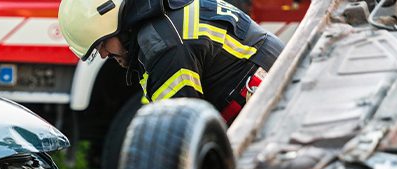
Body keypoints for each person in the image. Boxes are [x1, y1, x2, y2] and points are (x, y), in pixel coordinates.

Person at [58, 0, 284, 123]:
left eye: (102, 44)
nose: (105, 55)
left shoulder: (163, 46)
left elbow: (180, 129)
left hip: (271, 103)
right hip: (273, 84)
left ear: (117, 27)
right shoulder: (162, 21)